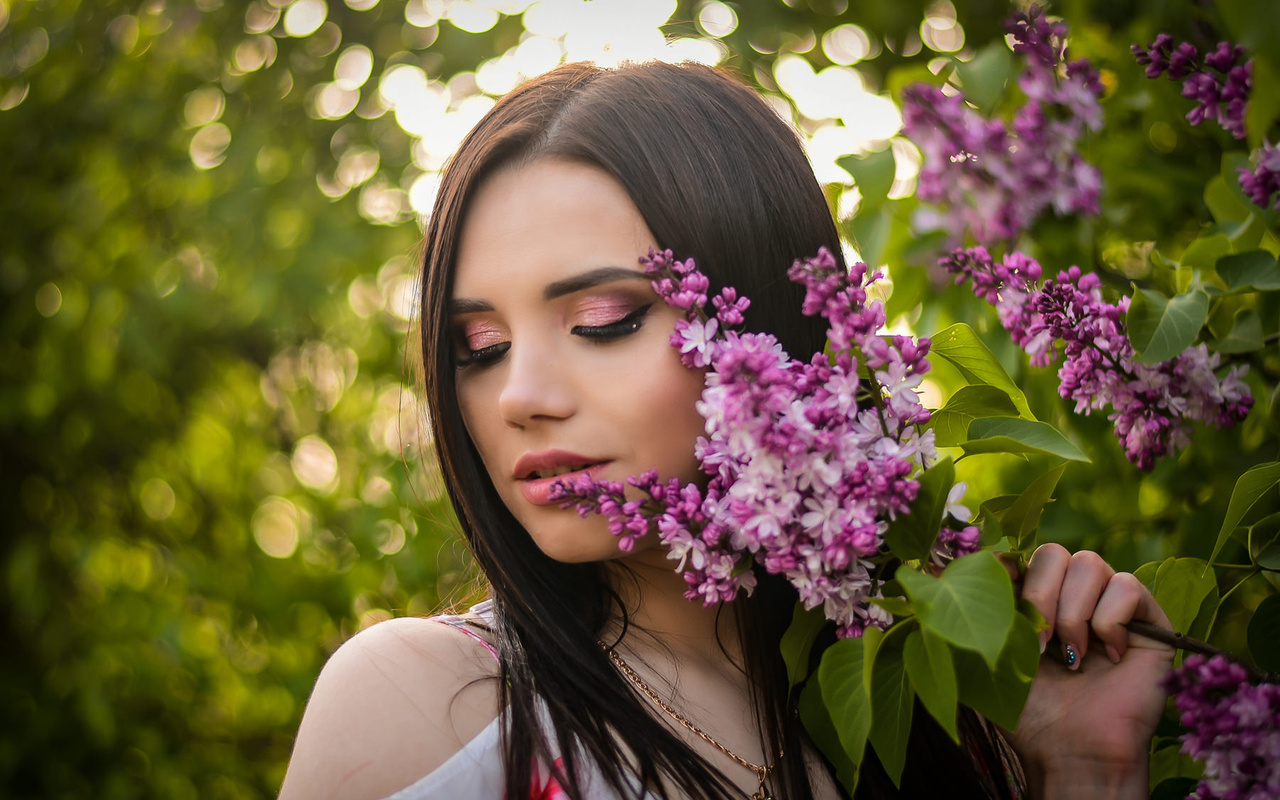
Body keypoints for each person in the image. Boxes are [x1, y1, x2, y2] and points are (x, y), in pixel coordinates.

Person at [279, 61, 1174, 800]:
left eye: (600, 321)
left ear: (773, 334)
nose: (520, 395)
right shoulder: (435, 710)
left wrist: (1088, 772)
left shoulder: (950, 729)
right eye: (478, 346)